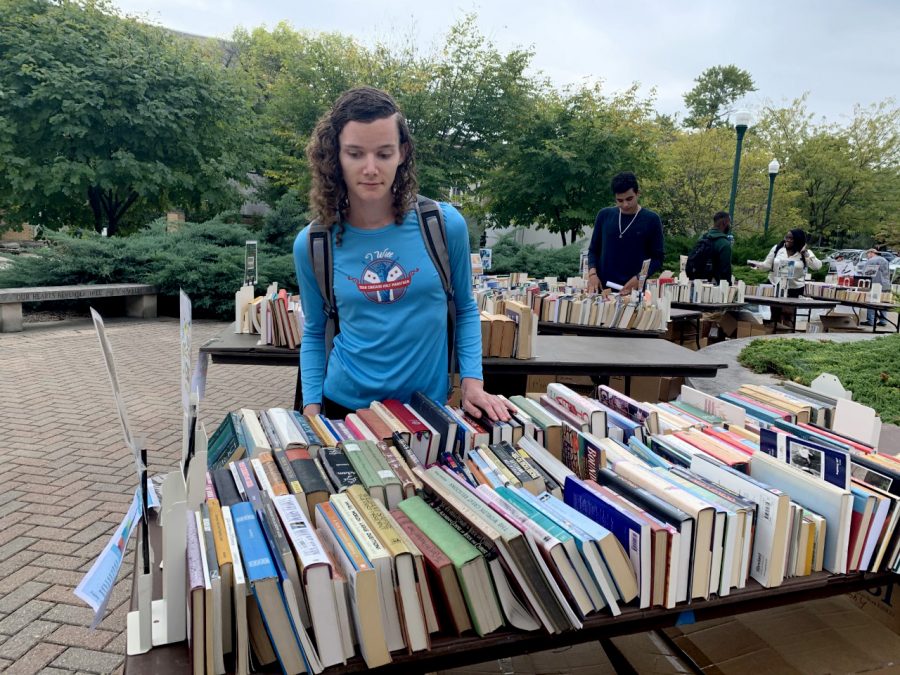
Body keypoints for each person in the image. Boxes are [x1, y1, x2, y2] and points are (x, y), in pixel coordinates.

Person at [293, 86, 510, 421]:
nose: (369, 169)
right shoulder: (313, 243)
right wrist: (311, 410)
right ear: (335, 155)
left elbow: (466, 309)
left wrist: (473, 384)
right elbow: (314, 329)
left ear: (402, 152)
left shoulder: (443, 226)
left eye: (383, 153)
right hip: (344, 411)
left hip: (425, 409)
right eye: (354, 153)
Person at [587, 172, 664, 293]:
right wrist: (592, 274)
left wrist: (639, 278)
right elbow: (593, 250)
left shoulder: (652, 219)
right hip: (603, 290)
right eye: (620, 200)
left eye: (629, 199)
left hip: (634, 291)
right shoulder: (604, 215)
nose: (625, 204)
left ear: (637, 193)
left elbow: (657, 258)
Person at [749, 228, 822, 297]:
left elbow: (817, 267)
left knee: (788, 310)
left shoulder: (805, 253)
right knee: (775, 309)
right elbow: (767, 265)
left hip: (795, 289)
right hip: (776, 286)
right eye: (787, 237)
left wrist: (806, 254)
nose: (788, 240)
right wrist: (753, 265)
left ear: (798, 240)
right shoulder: (777, 248)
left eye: (791, 238)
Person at [690, 211, 733, 283]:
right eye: (729, 223)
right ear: (724, 223)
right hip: (714, 287)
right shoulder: (724, 244)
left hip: (697, 282)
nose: (729, 225)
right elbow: (725, 271)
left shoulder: (702, 238)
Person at [860, 248, 890, 326]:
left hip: (875, 284)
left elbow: (866, 273)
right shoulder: (885, 260)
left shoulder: (871, 260)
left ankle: (871, 321)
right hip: (885, 284)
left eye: (867, 254)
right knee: (883, 302)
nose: (867, 256)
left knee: (872, 301)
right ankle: (883, 321)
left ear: (871, 253)